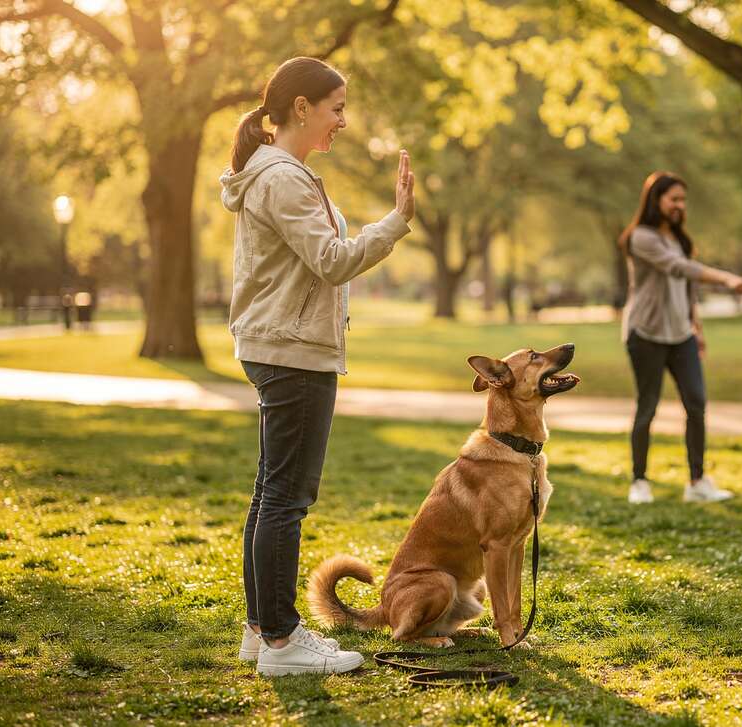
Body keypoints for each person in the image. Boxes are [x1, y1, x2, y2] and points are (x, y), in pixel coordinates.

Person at [219, 56, 416, 676]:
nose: (343, 121)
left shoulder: (282, 173)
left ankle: (262, 630)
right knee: (286, 496)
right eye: (336, 108)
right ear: (301, 107)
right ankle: (281, 642)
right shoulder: (283, 177)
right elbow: (331, 261)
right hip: (292, 351)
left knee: (271, 491)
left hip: (281, 346)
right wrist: (395, 224)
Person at [618, 171, 742, 505]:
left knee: (696, 403)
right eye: (674, 199)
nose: (680, 205)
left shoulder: (680, 240)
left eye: (683, 200)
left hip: (680, 334)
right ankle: (639, 481)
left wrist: (697, 329)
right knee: (647, 407)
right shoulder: (641, 237)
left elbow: (687, 288)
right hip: (646, 334)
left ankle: (697, 481)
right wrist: (726, 279)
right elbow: (679, 269)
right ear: (656, 200)